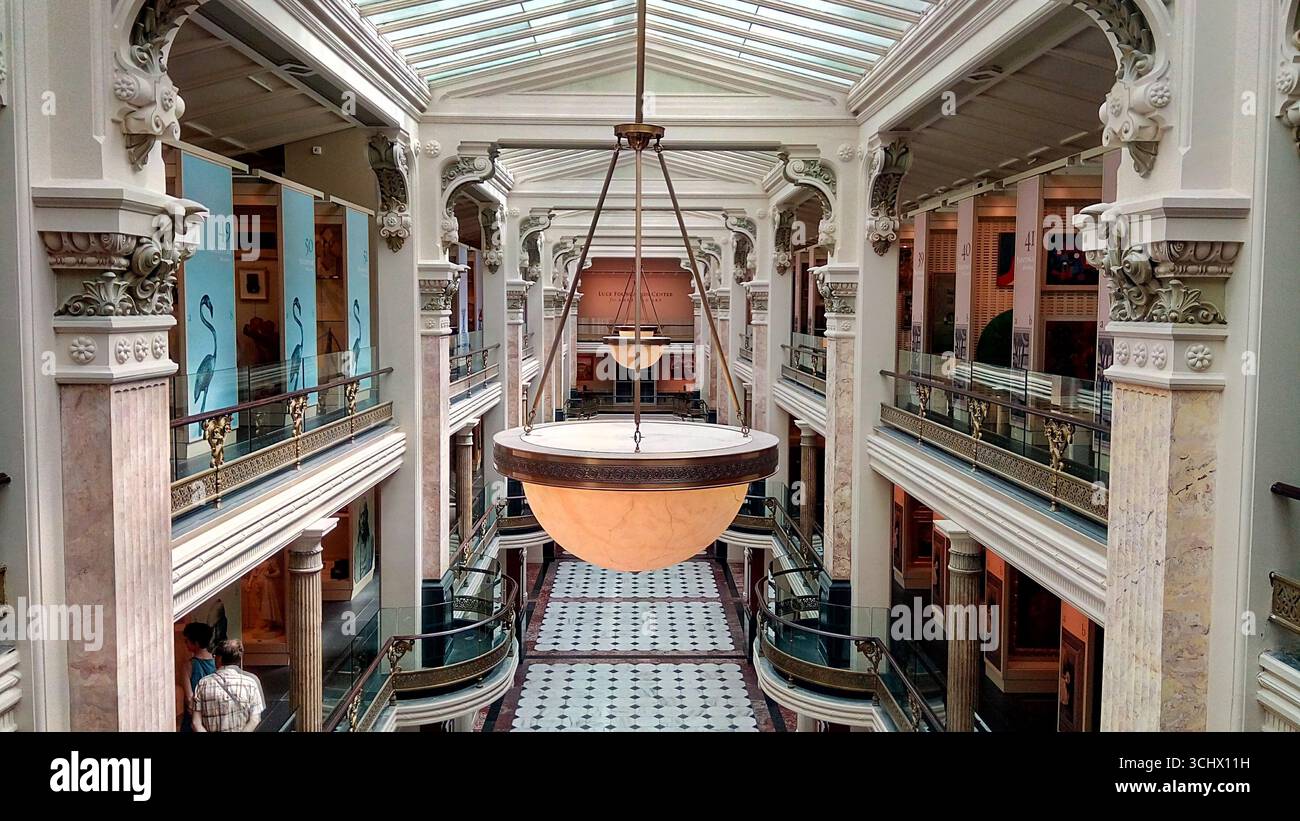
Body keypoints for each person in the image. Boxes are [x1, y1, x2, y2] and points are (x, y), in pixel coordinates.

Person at [192, 639, 265, 732]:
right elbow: (255, 719)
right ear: (239, 659)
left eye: (215, 656)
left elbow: (195, 723)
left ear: (219, 658)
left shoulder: (203, 684)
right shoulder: (250, 683)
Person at [179, 622, 216, 733]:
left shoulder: (188, 665)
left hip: (195, 717)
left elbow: (189, 697)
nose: (185, 643)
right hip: (214, 712)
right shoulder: (216, 661)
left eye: (187, 641)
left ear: (196, 643)